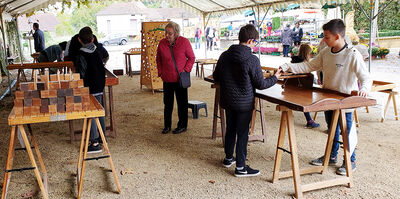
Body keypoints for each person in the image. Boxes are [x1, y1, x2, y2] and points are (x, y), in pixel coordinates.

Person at [280, 19, 372, 175]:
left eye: (327, 37)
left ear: (337, 36)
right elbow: (309, 66)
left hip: (345, 102)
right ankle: (331, 155)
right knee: (332, 129)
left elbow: (365, 77)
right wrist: (286, 67)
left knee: (346, 132)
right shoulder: (325, 52)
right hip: (328, 99)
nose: (323, 40)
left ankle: (350, 160)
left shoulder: (352, 54)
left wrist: (364, 89)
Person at [213, 24, 282, 177]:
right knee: (243, 134)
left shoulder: (224, 55)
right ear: (251, 41)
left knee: (230, 129)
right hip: (244, 103)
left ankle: (228, 158)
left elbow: (216, 76)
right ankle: (241, 168)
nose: (255, 44)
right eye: (256, 42)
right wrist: (275, 77)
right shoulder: (252, 59)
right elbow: (261, 84)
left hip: (228, 100)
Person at [156, 21, 195, 134]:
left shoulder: (184, 42)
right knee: (167, 104)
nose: (167, 35)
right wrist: (160, 72)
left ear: (176, 33)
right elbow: (158, 59)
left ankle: (182, 125)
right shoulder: (162, 43)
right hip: (167, 79)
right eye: (166, 33)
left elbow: (191, 58)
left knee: (182, 103)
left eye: (170, 33)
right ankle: (167, 126)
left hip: (180, 79)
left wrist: (186, 70)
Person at [74, 27, 108, 153]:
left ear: (79, 39)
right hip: (100, 85)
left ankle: (94, 143)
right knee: (99, 110)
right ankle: (102, 138)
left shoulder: (81, 54)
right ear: (92, 38)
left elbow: (81, 73)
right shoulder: (98, 50)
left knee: (90, 113)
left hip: (89, 87)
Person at [290, 44, 320, 128]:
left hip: (293, 86)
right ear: (307, 53)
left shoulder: (294, 60)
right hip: (301, 87)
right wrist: (317, 82)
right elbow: (309, 77)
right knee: (306, 99)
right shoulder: (305, 63)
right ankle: (309, 120)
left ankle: (309, 120)